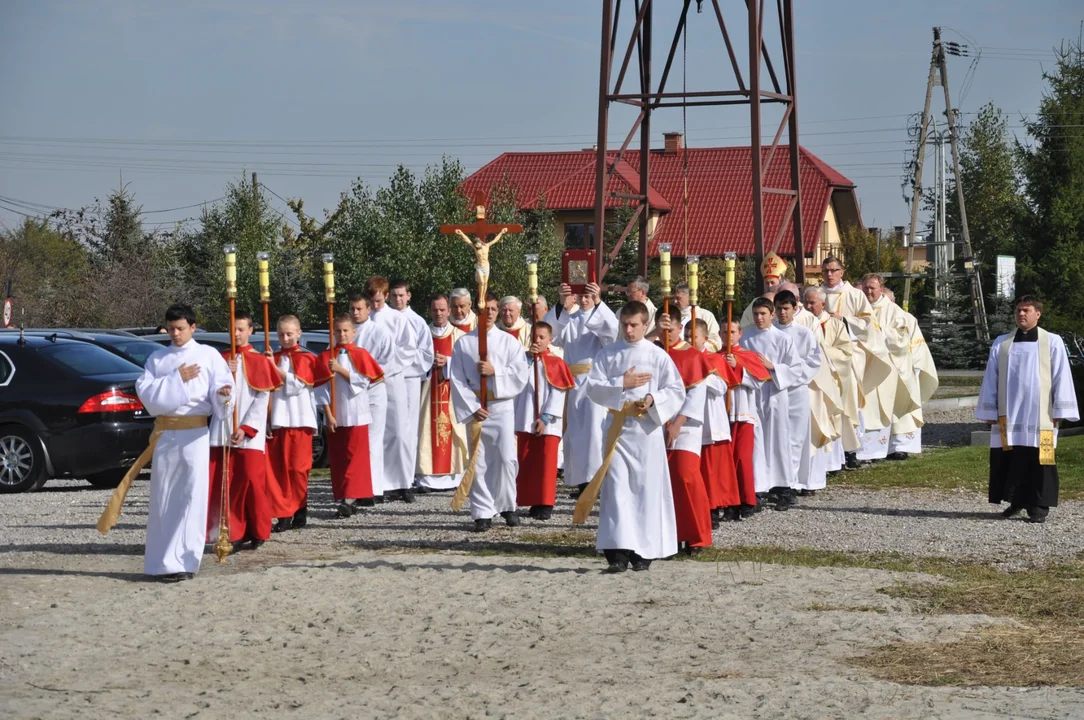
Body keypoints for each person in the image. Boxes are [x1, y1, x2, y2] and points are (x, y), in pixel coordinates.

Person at [577, 301, 686, 573]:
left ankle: (642, 551)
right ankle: (617, 552)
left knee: (644, 490)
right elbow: (592, 387)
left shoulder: (657, 355)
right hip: (617, 429)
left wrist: (652, 398)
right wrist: (621, 384)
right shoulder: (609, 354)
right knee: (616, 490)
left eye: (634, 325)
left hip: (646, 432)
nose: (628, 330)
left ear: (645, 324)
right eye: (624, 324)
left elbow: (676, 389)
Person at [135, 304, 233, 582]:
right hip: (167, 433)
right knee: (164, 496)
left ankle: (187, 561)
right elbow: (148, 395)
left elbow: (222, 388)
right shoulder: (158, 358)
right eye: (171, 328)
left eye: (180, 328)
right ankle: (162, 562)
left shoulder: (208, 355)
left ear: (193, 327)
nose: (175, 334)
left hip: (195, 433)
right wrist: (177, 378)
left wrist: (224, 394)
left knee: (192, 495)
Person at [976, 296, 1078, 523]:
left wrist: (1060, 408)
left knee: (1043, 458)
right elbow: (991, 378)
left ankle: (1039, 505)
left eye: (1026, 310)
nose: (1021, 314)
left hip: (1041, 415)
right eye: (1018, 310)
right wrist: (989, 410)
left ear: (1037, 314)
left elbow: (1062, 375)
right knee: (1012, 458)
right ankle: (1016, 500)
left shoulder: (1052, 342)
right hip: (1009, 414)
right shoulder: (1002, 343)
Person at [448, 293, 530, 532]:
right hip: (477, 408)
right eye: (488, 309)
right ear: (478, 310)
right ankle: (482, 511)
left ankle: (507, 505)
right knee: (480, 461)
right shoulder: (464, 343)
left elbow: (520, 374)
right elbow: (457, 379)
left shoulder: (509, 342)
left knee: (506, 458)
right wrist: (473, 407)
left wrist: (496, 372)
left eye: (495, 309)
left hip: (501, 406)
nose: (492, 314)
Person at [208, 310, 283, 553]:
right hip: (223, 431)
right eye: (233, 329)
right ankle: (234, 531)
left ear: (251, 331)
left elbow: (263, 398)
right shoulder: (220, 360)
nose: (236, 334)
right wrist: (222, 381)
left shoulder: (260, 361)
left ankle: (259, 529)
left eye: (241, 329)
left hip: (250, 434)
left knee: (252, 480)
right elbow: (210, 396)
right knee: (229, 484)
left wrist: (247, 427)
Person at [820, 256, 892, 467]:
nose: (829, 274)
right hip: (822, 359)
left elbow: (869, 324)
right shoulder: (816, 294)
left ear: (842, 272)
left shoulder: (854, 295)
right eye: (826, 271)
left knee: (849, 403)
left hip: (848, 358)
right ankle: (829, 452)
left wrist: (844, 320)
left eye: (834, 270)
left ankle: (851, 450)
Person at [550, 281, 619, 495]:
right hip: (572, 382)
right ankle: (582, 482)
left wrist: (599, 303)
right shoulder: (571, 319)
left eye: (589, 296)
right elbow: (551, 333)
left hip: (593, 382)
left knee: (594, 432)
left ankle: (597, 480)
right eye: (582, 295)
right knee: (576, 434)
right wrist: (561, 304)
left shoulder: (599, 318)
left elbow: (612, 332)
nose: (585, 299)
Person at [314, 314, 384, 517]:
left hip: (356, 412)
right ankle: (344, 494)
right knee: (339, 458)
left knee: (355, 456)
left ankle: (351, 497)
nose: (342, 334)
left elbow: (363, 382)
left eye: (346, 330)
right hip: (336, 414)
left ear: (354, 332)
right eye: (338, 331)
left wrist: (341, 370)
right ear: (333, 333)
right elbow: (320, 389)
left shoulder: (360, 354)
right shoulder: (326, 356)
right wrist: (328, 414)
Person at [740, 297, 806, 510]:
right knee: (757, 442)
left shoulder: (782, 339)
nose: (759, 318)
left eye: (763, 314)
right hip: (753, 394)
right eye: (756, 314)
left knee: (778, 439)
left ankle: (784, 488)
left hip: (775, 394)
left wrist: (773, 367)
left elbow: (795, 368)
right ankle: (759, 487)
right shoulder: (746, 338)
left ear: (772, 315)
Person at [664, 315, 718, 553]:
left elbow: (697, 393)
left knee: (686, 476)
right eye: (663, 328)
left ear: (679, 326)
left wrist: (677, 423)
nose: (669, 333)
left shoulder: (694, 356)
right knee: (665, 482)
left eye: (673, 328)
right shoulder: (656, 352)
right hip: (659, 424)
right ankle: (671, 535)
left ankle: (698, 535)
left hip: (686, 426)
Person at [514, 322, 573, 520]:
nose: (537, 341)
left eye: (541, 337)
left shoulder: (556, 363)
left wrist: (546, 417)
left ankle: (545, 502)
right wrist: (529, 362)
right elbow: (516, 383)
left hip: (547, 422)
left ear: (550, 339)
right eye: (534, 337)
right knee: (527, 460)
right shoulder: (522, 360)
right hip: (525, 417)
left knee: (546, 463)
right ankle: (531, 499)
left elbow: (558, 392)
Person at [769, 291, 823, 508]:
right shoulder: (767, 332)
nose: (782, 313)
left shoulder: (804, 333)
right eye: (779, 308)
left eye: (786, 308)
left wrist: (785, 375)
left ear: (795, 309)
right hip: (771, 392)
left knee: (794, 438)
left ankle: (789, 484)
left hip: (795, 391)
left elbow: (812, 363)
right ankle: (773, 482)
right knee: (773, 438)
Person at [266, 314, 319, 533]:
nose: (285, 338)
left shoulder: (306, 358)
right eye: (281, 334)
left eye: (289, 334)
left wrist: (274, 368)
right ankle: (283, 513)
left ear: (299, 333)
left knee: (298, 469)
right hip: (279, 419)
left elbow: (297, 384)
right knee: (280, 471)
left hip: (299, 420)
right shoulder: (273, 356)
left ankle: (300, 507)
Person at [861, 274, 920, 463]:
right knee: (866, 409)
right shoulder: (859, 308)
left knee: (883, 408)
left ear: (881, 288)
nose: (869, 291)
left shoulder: (893, 311)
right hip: (864, 367)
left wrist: (878, 332)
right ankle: (866, 451)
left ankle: (885, 448)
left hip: (887, 366)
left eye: (872, 288)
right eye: (866, 288)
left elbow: (901, 338)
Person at [366, 276, 416, 502]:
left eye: (378, 301)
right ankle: (379, 484)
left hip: (393, 377)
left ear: (386, 296)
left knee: (399, 432)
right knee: (376, 433)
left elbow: (408, 348)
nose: (375, 306)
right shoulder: (365, 322)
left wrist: (385, 365)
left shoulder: (397, 318)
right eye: (372, 301)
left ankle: (404, 482)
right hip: (371, 381)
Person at [416, 294, 469, 492]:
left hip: (452, 395)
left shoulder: (459, 336)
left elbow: (466, 366)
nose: (438, 313)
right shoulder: (423, 334)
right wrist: (427, 363)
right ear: (429, 311)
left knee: (452, 432)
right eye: (435, 310)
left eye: (442, 309)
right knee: (424, 432)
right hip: (427, 394)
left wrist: (447, 361)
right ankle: (426, 478)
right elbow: (413, 362)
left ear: (448, 311)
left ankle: (454, 477)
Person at [388, 279, 435, 492]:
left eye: (401, 295)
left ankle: (406, 479)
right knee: (389, 428)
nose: (398, 299)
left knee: (407, 429)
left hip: (409, 379)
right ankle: (387, 479)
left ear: (409, 296)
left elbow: (426, 353)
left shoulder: (417, 321)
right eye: (394, 295)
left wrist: (399, 360)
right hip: (386, 379)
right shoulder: (384, 318)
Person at [720, 320, 770, 520]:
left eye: (732, 331)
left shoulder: (748, 356)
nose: (728, 335)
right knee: (727, 461)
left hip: (743, 413)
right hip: (722, 416)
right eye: (725, 332)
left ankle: (748, 500)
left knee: (742, 458)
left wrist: (737, 367)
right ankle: (730, 503)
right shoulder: (715, 356)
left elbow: (758, 382)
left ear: (740, 333)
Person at [803, 286, 856, 475]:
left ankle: (832, 464)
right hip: (808, 381)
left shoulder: (834, 325)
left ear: (823, 304)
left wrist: (821, 350)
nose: (808, 306)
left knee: (830, 418)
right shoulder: (801, 323)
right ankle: (813, 465)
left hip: (830, 379)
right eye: (806, 302)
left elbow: (845, 352)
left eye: (812, 303)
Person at [349, 292, 393, 504]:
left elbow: (388, 362)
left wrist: (365, 374)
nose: (356, 313)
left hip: (374, 388)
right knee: (357, 441)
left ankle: (374, 489)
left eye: (360, 309)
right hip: (351, 392)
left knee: (373, 439)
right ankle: (358, 487)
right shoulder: (346, 332)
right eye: (353, 309)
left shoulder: (380, 332)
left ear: (369, 309)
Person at [885, 290, 939, 459]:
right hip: (882, 373)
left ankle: (901, 446)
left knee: (904, 410)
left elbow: (917, 347)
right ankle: (881, 448)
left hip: (903, 371)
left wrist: (912, 368)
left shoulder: (906, 318)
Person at [738, 252, 788, 329]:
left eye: (772, 282)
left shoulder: (788, 303)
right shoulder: (756, 303)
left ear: (780, 283)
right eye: (767, 283)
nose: (769, 286)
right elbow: (744, 327)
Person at [672, 282, 722, 352]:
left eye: (678, 298)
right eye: (674, 298)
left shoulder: (706, 315)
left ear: (690, 297)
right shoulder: (672, 317)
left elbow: (716, 343)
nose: (675, 301)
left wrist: (693, 346)